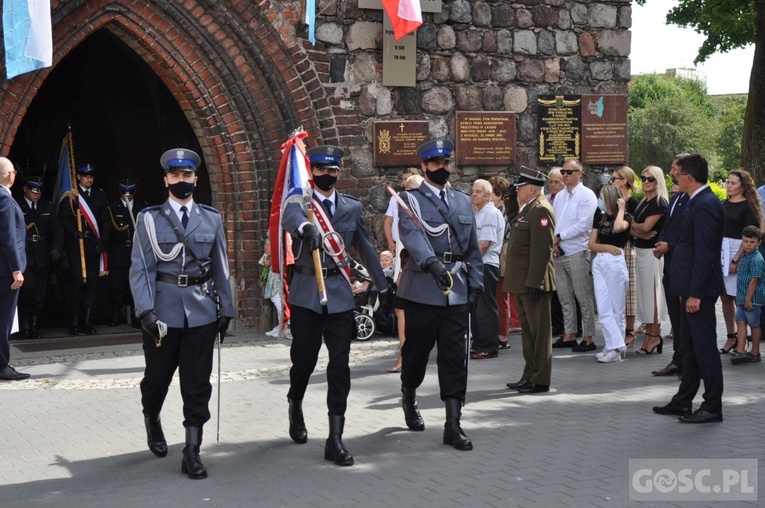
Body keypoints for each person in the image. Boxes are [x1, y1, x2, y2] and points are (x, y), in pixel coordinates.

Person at [281, 144, 388, 466]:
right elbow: (289, 217)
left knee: (339, 365)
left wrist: (383, 284)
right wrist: (306, 228)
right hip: (306, 296)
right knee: (304, 361)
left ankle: (335, 437)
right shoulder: (300, 202)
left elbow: (365, 248)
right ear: (311, 171)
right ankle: (295, 401)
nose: (328, 175)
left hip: (339, 295)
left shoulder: (351, 207)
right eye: (321, 170)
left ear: (339, 172)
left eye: (333, 170)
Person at [130, 148, 234, 479]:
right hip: (162, 313)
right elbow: (140, 268)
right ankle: (152, 415)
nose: (182, 181)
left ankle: (192, 450)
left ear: (195, 179)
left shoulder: (211, 217)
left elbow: (220, 266)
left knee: (197, 384)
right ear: (166, 180)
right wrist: (145, 310)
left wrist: (226, 309)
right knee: (157, 380)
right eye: (175, 176)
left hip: (201, 311)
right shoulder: (149, 219)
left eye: (187, 176)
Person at [396, 138, 483, 451]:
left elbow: (472, 247)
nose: (442, 168)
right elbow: (412, 236)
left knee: (454, 357)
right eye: (435, 163)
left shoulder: (461, 201)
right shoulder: (410, 199)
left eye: (446, 163)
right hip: (423, 289)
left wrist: (476, 284)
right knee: (416, 354)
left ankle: (452, 423)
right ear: (424, 166)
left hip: (456, 290)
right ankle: (408, 392)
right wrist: (432, 263)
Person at [653, 153, 725, 424]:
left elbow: (704, 254)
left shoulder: (705, 204)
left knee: (705, 350)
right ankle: (684, 400)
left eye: (677, 174)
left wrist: (694, 292)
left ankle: (712, 406)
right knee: (691, 348)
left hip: (701, 292)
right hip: (690, 287)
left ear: (689, 177)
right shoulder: (694, 201)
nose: (675, 178)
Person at [503, 167, 555, 392]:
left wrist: (535, 282)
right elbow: (515, 222)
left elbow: (542, 250)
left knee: (539, 333)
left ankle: (540, 379)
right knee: (528, 333)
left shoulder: (541, 210)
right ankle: (529, 374)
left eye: (519, 188)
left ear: (531, 189)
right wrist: (509, 198)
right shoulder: (529, 209)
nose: (517, 191)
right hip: (523, 281)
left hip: (533, 282)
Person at [58, 163, 111, 336]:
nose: (89, 179)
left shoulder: (99, 196)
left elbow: (105, 220)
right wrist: (73, 232)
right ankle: (74, 321)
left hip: (93, 246)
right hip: (77, 248)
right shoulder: (72, 196)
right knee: (78, 284)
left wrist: (102, 240)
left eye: (91, 176)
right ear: (78, 177)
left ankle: (87, 321)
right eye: (85, 176)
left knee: (92, 286)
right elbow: (64, 218)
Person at [551, 160, 598, 352]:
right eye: (563, 171)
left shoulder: (587, 195)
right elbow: (555, 220)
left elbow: (584, 224)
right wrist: (554, 240)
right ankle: (569, 333)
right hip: (559, 250)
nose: (565, 175)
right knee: (564, 296)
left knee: (582, 296)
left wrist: (559, 237)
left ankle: (588, 337)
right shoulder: (560, 196)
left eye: (570, 172)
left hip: (577, 250)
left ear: (580, 173)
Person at [651, 154, 690, 377]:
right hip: (670, 265)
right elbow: (668, 225)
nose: (672, 172)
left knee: (686, 319)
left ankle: (688, 362)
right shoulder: (675, 197)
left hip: (683, 263)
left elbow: (689, 234)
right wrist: (661, 243)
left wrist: (670, 246)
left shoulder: (694, 200)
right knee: (676, 315)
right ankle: (678, 359)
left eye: (675, 168)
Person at [717, 170, 763, 354]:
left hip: (740, 252)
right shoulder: (723, 204)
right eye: (728, 182)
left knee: (740, 296)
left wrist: (736, 259)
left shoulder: (748, 207)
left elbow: (748, 237)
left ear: (742, 186)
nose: (728, 185)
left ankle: (745, 341)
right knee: (725, 297)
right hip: (722, 251)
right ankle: (731, 336)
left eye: (733, 183)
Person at [15, 175, 63, 339]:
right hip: (24, 254)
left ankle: (34, 325)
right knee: (27, 289)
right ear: (25, 189)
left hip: (42, 255)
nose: (37, 194)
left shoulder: (46, 207)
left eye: (39, 191)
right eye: (33, 190)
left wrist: (57, 246)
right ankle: (25, 325)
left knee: (39, 292)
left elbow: (57, 229)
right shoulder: (16, 205)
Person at [589, 186, 632, 363]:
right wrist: (605, 247)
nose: (599, 201)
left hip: (615, 263)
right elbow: (591, 244)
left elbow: (618, 228)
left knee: (616, 309)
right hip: (600, 261)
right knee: (604, 307)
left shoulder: (626, 217)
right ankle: (613, 345)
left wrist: (621, 209)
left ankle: (616, 348)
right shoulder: (599, 217)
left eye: (602, 198)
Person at [386, 173, 423, 373]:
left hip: (409, 269)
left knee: (403, 312)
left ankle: (404, 356)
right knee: (404, 312)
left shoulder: (414, 213)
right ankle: (406, 355)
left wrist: (400, 273)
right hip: (405, 266)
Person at [632, 166, 669, 355]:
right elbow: (633, 228)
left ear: (658, 181)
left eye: (651, 179)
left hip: (654, 253)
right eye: (643, 178)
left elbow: (646, 228)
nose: (646, 182)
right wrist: (636, 227)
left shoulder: (659, 203)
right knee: (645, 296)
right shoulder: (643, 202)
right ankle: (650, 334)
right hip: (641, 250)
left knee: (653, 296)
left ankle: (654, 336)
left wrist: (633, 225)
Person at [0, 158, 31, 380]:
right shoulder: (4, 198)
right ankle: (2, 365)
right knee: (4, 318)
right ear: (7, 174)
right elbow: (8, 238)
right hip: (5, 271)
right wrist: (16, 269)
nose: (15, 175)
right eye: (13, 171)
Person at [469, 179, 505, 359]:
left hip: (485, 265)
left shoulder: (490, 213)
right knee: (476, 307)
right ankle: (479, 343)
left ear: (488, 195)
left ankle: (489, 346)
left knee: (485, 307)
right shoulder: (478, 213)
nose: (474, 194)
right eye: (473, 191)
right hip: (478, 265)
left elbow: (484, 244)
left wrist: (469, 262)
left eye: (478, 191)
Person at [108, 179, 146, 327]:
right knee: (116, 286)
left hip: (136, 252)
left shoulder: (141, 207)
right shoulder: (113, 207)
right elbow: (109, 231)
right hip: (119, 253)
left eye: (130, 194)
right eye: (124, 193)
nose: (127, 196)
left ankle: (137, 316)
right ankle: (115, 316)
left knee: (135, 287)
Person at [609, 166, 639, 347]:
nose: (611, 182)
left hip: (626, 247)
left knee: (628, 289)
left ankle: (630, 330)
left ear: (624, 181)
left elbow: (633, 227)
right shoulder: (610, 201)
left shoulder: (632, 202)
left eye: (614, 179)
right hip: (610, 247)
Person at [488, 175, 520, 349]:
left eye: (491, 193)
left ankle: (502, 334)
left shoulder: (505, 212)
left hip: (502, 254)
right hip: (497, 253)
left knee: (500, 296)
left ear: (499, 195)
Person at [730, 225, 764, 364]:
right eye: (745, 241)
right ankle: (740, 350)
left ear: (759, 242)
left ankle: (755, 353)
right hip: (742, 296)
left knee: (754, 324)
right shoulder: (745, 254)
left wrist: (748, 299)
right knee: (740, 321)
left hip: (752, 298)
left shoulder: (757, 259)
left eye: (752, 242)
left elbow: (754, 281)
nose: (748, 245)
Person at [259, 239, 283, 337]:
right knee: (276, 297)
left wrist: (271, 260)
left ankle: (284, 326)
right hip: (277, 265)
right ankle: (281, 325)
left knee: (277, 296)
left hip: (280, 266)